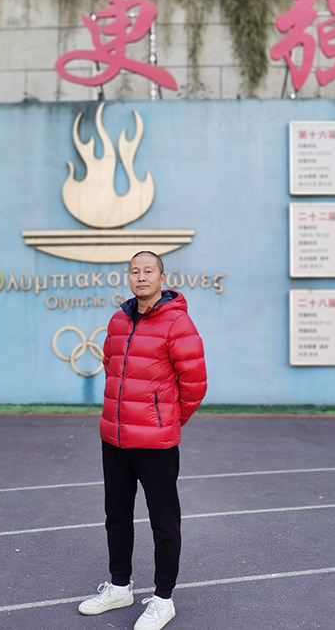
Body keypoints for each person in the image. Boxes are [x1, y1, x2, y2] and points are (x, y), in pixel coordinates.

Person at [79, 251, 207, 630]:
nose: (141, 277)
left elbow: (194, 383)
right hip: (115, 438)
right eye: (135, 271)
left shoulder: (178, 323)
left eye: (148, 271)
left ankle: (163, 599)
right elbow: (110, 365)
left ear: (162, 278)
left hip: (156, 443)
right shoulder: (118, 320)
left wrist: (166, 419)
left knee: (163, 522)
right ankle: (120, 586)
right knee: (117, 516)